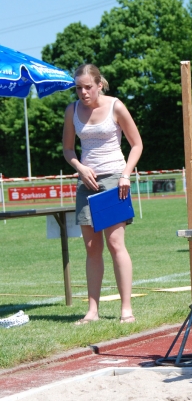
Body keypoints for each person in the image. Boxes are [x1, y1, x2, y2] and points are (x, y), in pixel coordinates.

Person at [63, 63, 143, 325]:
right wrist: (80, 167)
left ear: (99, 84)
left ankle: (126, 310)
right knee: (91, 247)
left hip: (115, 180)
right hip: (87, 182)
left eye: (88, 87)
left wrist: (126, 174)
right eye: (78, 88)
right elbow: (68, 150)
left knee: (115, 243)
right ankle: (92, 311)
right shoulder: (71, 111)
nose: (83, 92)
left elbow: (137, 144)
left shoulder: (115, 106)